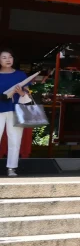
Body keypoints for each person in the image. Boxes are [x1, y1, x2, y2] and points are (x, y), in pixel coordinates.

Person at [0, 49, 30, 178]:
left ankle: (12, 167)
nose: (8, 59)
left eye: (10, 57)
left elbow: (27, 94)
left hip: (15, 110)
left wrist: (21, 93)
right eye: (4, 57)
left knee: (15, 140)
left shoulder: (20, 75)